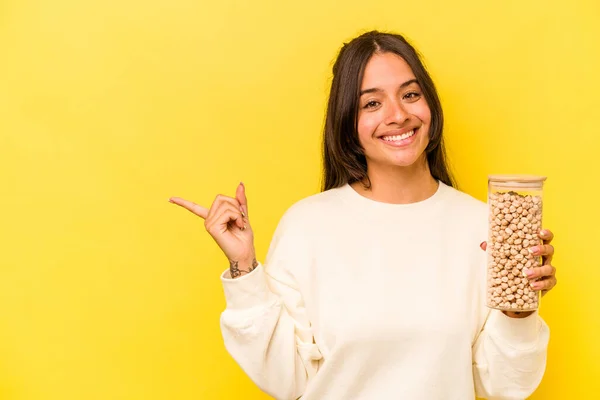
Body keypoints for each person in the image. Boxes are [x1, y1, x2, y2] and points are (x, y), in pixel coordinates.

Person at [170, 30, 557, 400]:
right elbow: (285, 378)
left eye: (410, 94)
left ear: (430, 107)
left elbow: (503, 385)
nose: (398, 114)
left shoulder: (484, 226)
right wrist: (243, 268)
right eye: (372, 103)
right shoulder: (308, 225)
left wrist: (517, 311)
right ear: (348, 124)